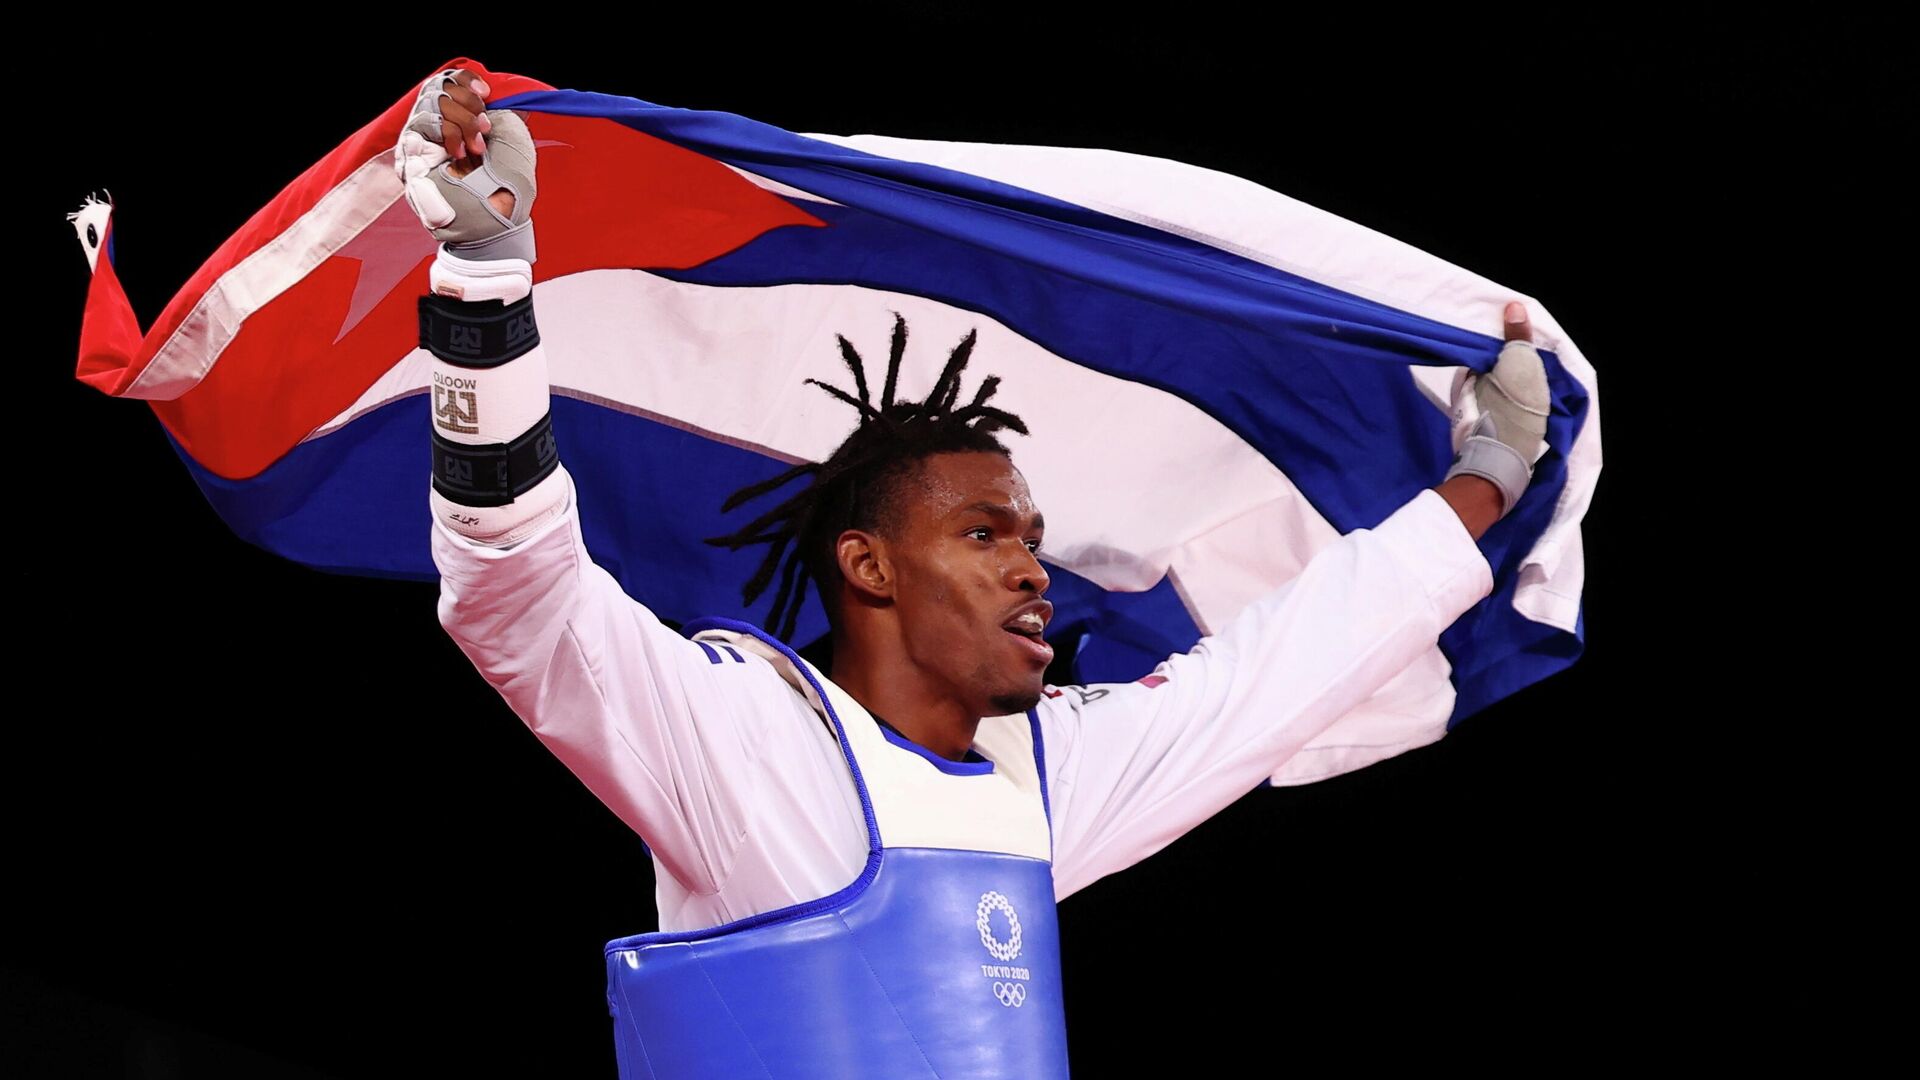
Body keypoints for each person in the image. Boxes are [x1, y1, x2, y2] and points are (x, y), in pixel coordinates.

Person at [402, 67, 1550, 1079]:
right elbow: (518, 581)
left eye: (1032, 539)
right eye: (985, 535)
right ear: (869, 565)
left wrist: (1489, 474)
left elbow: (1283, 667)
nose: (1032, 571)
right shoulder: (743, 746)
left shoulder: (1040, 778)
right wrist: (484, 276)